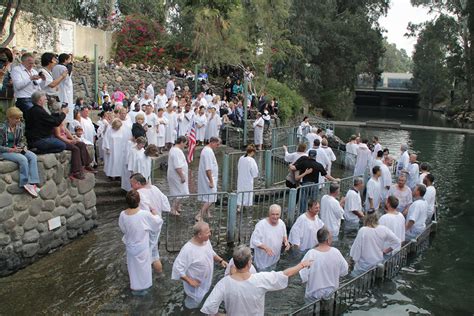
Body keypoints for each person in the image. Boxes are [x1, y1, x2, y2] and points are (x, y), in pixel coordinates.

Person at [201, 245, 312, 316]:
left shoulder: (224, 283)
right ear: (249, 263)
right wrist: (302, 265)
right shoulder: (259, 279)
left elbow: (209, 308)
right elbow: (285, 274)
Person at [171, 221, 228, 309]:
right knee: (192, 306)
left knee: (204, 301)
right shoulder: (188, 249)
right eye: (207, 232)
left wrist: (220, 260)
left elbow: (210, 252)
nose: (210, 234)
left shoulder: (206, 241)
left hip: (206, 282)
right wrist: (190, 281)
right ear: (199, 235)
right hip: (195, 288)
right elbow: (177, 268)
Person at [118, 190, 163, 294]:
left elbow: (123, 228)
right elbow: (157, 223)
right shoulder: (144, 214)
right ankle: (145, 288)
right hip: (142, 247)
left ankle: (134, 287)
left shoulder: (123, 214)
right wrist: (155, 213)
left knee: (133, 267)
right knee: (144, 269)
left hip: (130, 245)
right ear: (139, 201)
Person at [129, 173, 170, 274]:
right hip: (158, 222)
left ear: (138, 183)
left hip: (148, 227)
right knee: (154, 250)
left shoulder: (139, 194)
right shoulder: (155, 188)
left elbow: (143, 214)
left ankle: (157, 275)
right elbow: (166, 205)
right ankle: (156, 273)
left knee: (152, 254)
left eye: (132, 184)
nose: (131, 187)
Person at [0, 106, 40, 197]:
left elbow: (21, 140)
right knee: (23, 159)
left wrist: (23, 147)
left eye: (20, 118)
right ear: (10, 118)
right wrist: (11, 149)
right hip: (5, 151)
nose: (19, 120)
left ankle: (32, 183)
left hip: (16, 149)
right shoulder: (2, 128)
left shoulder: (20, 126)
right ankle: (25, 182)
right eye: (16, 118)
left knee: (32, 156)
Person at [299, 228, 348, 300]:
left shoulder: (310, 254)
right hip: (332, 294)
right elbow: (344, 271)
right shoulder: (336, 252)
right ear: (328, 240)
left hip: (313, 295)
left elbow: (303, 276)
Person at [53, 112, 93, 180]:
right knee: (75, 149)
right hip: (61, 141)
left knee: (81, 144)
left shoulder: (62, 123)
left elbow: (67, 131)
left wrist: (73, 139)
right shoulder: (56, 125)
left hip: (67, 139)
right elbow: (58, 136)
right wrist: (69, 141)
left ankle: (86, 164)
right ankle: (76, 171)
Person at [250, 205, 290, 271]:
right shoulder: (261, 225)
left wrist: (286, 242)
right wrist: (266, 248)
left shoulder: (281, 223)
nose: (275, 217)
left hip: (275, 259)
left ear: (280, 214)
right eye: (273, 214)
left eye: (277, 214)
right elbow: (254, 241)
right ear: (269, 214)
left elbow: (284, 235)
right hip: (262, 262)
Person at [196, 137, 220, 221]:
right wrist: (211, 181)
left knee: (208, 196)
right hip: (209, 178)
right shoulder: (208, 152)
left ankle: (207, 212)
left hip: (210, 177)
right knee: (211, 198)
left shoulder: (207, 151)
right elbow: (208, 168)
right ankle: (199, 215)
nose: (218, 146)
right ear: (213, 142)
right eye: (217, 144)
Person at [167, 136, 189, 215]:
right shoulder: (176, 151)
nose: (185, 146)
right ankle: (173, 208)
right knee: (182, 192)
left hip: (175, 175)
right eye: (185, 144)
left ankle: (177, 206)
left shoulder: (174, 150)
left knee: (177, 191)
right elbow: (177, 166)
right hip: (177, 175)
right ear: (182, 142)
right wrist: (182, 176)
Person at [236, 145, 259, 211]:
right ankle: (247, 208)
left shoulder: (241, 158)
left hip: (240, 179)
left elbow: (238, 167)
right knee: (248, 194)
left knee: (240, 192)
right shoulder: (251, 160)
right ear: (252, 152)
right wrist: (255, 175)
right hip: (248, 180)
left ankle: (239, 207)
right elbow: (254, 172)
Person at [52, 53, 74, 122]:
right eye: (69, 59)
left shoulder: (55, 67)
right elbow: (67, 81)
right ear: (65, 60)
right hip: (64, 91)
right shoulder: (63, 68)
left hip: (57, 89)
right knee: (66, 111)